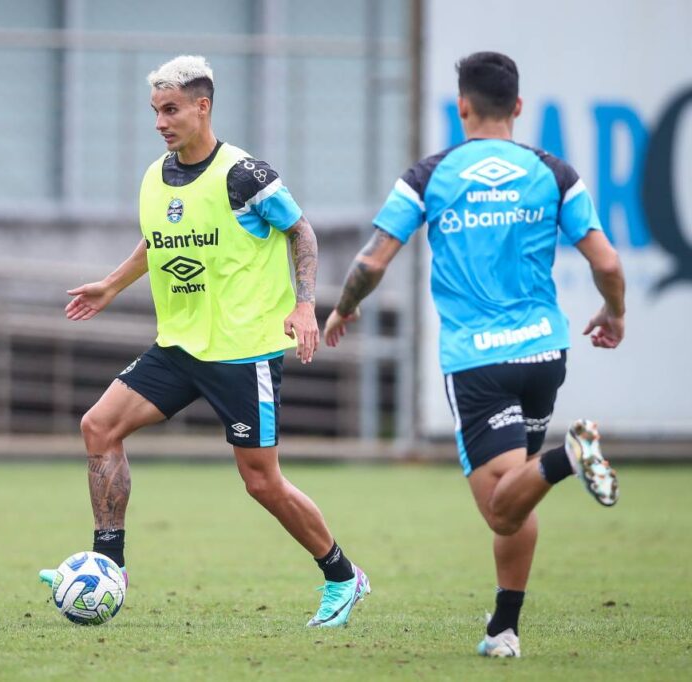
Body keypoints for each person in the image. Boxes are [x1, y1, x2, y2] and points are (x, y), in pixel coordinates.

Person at [39, 55, 369, 627]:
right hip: (180, 346)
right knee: (99, 426)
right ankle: (108, 564)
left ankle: (343, 575)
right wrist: (111, 285)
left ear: (203, 106)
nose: (160, 122)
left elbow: (301, 232)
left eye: (170, 110)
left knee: (261, 482)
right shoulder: (155, 176)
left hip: (243, 352)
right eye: (154, 111)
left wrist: (304, 304)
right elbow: (157, 240)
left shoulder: (245, 175)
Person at [323, 51, 623, 656]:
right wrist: (614, 311)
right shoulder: (554, 172)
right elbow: (609, 263)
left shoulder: (430, 175)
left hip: (478, 361)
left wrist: (344, 306)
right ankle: (503, 629)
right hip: (544, 354)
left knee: (501, 509)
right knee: (519, 488)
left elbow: (372, 261)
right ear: (518, 106)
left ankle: (570, 455)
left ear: (462, 107)